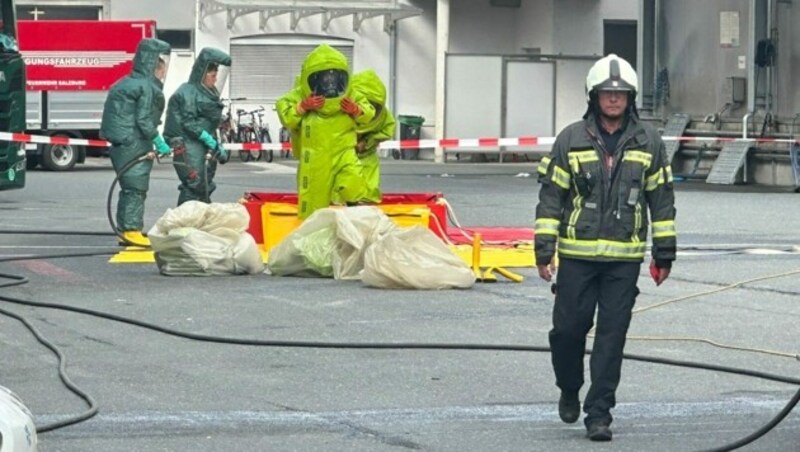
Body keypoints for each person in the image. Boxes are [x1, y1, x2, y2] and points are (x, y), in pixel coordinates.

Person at [533, 54, 677, 442]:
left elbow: (661, 200)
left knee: (611, 339)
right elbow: (551, 199)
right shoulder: (570, 139)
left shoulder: (649, 142)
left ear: (631, 99)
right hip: (578, 258)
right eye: (607, 93)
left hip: (622, 261)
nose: (614, 99)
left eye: (621, 93)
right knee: (567, 332)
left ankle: (599, 414)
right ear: (593, 96)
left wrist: (664, 254)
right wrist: (543, 250)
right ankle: (568, 386)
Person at [275, 44, 375, 219]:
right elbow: (285, 114)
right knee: (313, 205)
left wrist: (356, 110)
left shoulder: (351, 94)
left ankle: (358, 224)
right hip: (315, 158)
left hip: (344, 152)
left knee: (354, 184)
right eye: (324, 77)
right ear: (312, 79)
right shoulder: (299, 94)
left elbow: (368, 113)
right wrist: (302, 106)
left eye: (333, 76)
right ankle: (311, 239)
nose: (329, 82)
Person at [100, 38, 172, 246]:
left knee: (129, 187)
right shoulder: (146, 87)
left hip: (122, 143)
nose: (164, 73)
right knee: (136, 188)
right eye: (162, 69)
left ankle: (125, 229)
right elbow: (144, 120)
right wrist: (158, 141)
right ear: (153, 66)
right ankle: (131, 230)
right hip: (134, 143)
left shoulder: (127, 81)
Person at [163, 48, 231, 206]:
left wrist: (214, 143)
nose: (215, 80)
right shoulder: (187, 92)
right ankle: (184, 223)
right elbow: (189, 123)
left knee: (205, 184)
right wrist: (209, 140)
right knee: (194, 184)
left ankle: (199, 220)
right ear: (203, 74)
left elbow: (207, 122)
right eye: (213, 76)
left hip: (201, 145)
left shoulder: (207, 92)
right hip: (188, 145)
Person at [350, 69, 396, 203]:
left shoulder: (384, 116)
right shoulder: (340, 110)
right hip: (343, 155)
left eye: (373, 106)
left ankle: (366, 207)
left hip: (366, 156)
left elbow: (388, 129)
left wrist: (367, 141)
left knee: (367, 191)